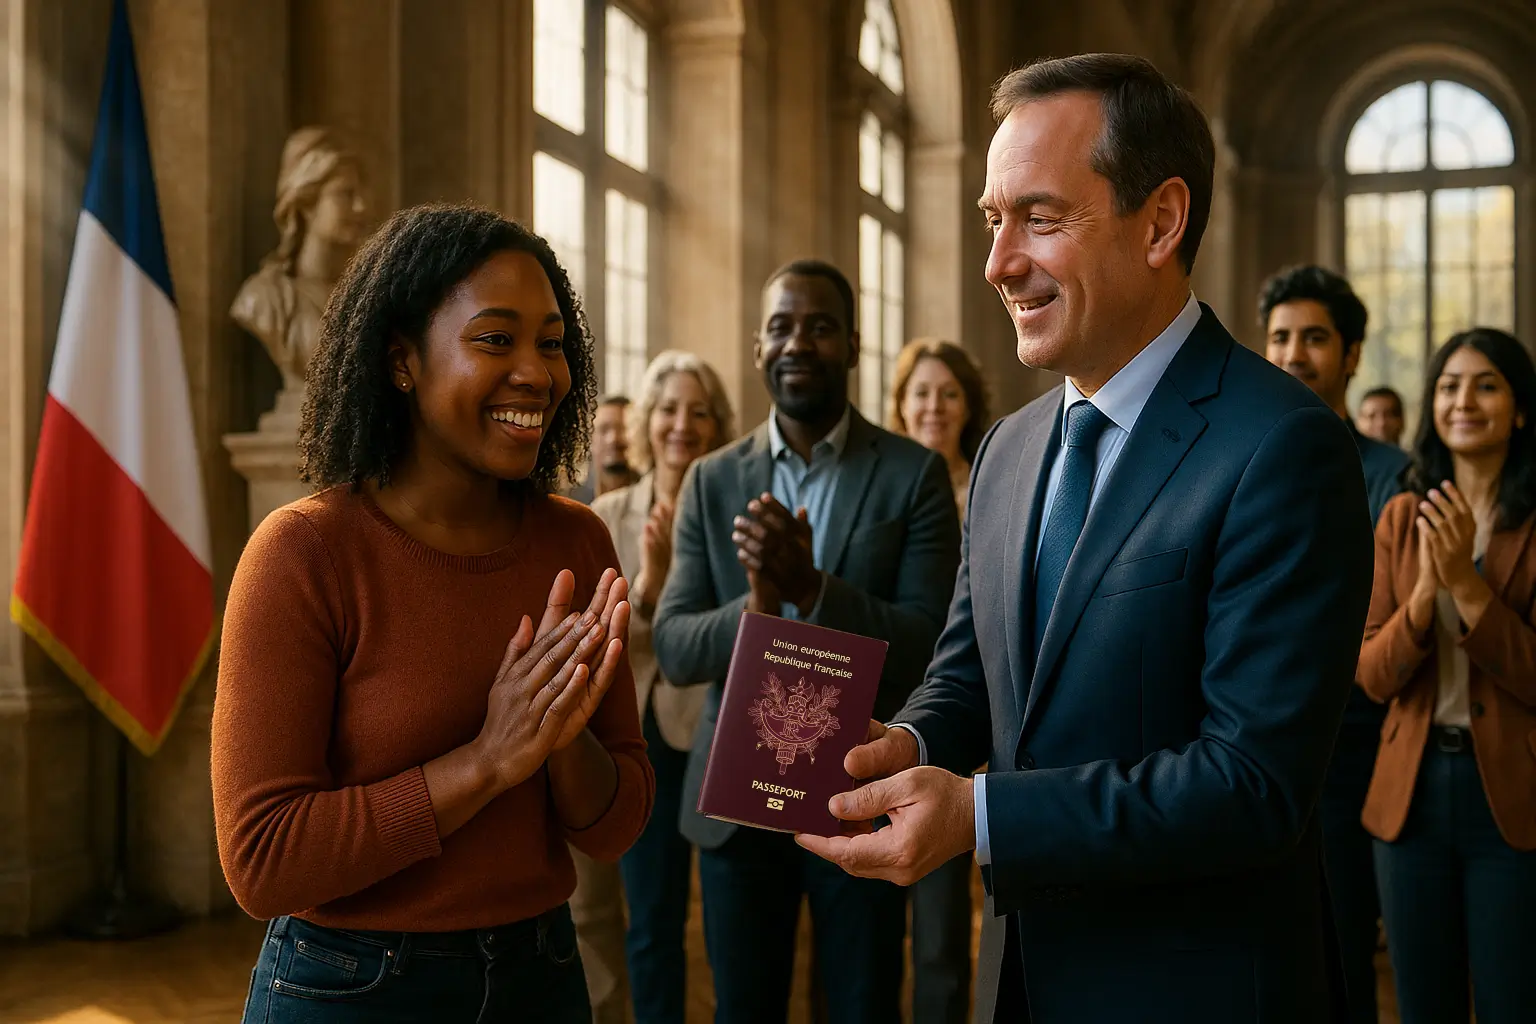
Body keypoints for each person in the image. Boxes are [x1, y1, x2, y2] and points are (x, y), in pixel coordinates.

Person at [798, 55, 1374, 1024]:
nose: (998, 263)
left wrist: (980, 818)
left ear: (1161, 222)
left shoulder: (1282, 445)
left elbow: (1252, 783)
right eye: (993, 219)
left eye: (1041, 217)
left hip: (1198, 984)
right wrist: (904, 740)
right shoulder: (1007, 449)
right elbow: (971, 674)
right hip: (1022, 976)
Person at [213, 203, 655, 1024]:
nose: (537, 372)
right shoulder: (303, 554)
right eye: (496, 339)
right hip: (350, 986)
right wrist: (486, 760)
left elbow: (616, 824)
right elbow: (262, 860)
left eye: (552, 343)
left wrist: (559, 742)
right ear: (402, 361)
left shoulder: (578, 540)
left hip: (542, 972)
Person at [651, 259, 961, 1024]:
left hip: (857, 790)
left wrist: (815, 587)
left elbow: (928, 643)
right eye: (781, 327)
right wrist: (760, 603)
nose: (799, 343)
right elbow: (677, 645)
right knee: (744, 1007)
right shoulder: (712, 479)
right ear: (758, 347)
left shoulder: (912, 475)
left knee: (860, 1004)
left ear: (854, 345)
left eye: (820, 327)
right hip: (738, 801)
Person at [1358, 327, 1536, 1024]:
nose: (1464, 400)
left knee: (1510, 1001)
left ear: (1519, 409)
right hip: (1411, 795)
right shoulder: (1402, 517)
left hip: (1513, 799)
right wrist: (1423, 602)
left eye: (1486, 385)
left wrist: (1465, 583)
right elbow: (1372, 674)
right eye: (1449, 385)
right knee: (1422, 1003)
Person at [1260, 263, 1409, 1024]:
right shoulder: (1243, 461)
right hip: (1246, 749)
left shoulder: (1394, 476)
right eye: (1280, 336)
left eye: (1314, 338)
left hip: (1354, 753)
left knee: (1345, 954)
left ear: (1351, 355)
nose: (1293, 353)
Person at [578, 351, 736, 1024]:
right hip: (638, 736)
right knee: (652, 922)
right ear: (648, 420)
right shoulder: (607, 516)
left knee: (734, 925)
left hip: (719, 733)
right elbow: (595, 636)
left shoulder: (735, 508)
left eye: (699, 412)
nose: (683, 424)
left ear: (717, 424)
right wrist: (649, 582)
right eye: (670, 409)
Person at [887, 338, 991, 1024]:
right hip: (889, 703)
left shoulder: (991, 474)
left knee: (942, 922)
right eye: (920, 392)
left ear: (967, 406)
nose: (934, 406)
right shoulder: (889, 484)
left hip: (967, 704)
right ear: (899, 404)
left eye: (948, 393)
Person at [568, 395, 639, 504]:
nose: (613, 439)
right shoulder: (571, 501)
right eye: (604, 429)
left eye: (623, 428)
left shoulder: (652, 500)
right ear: (589, 438)